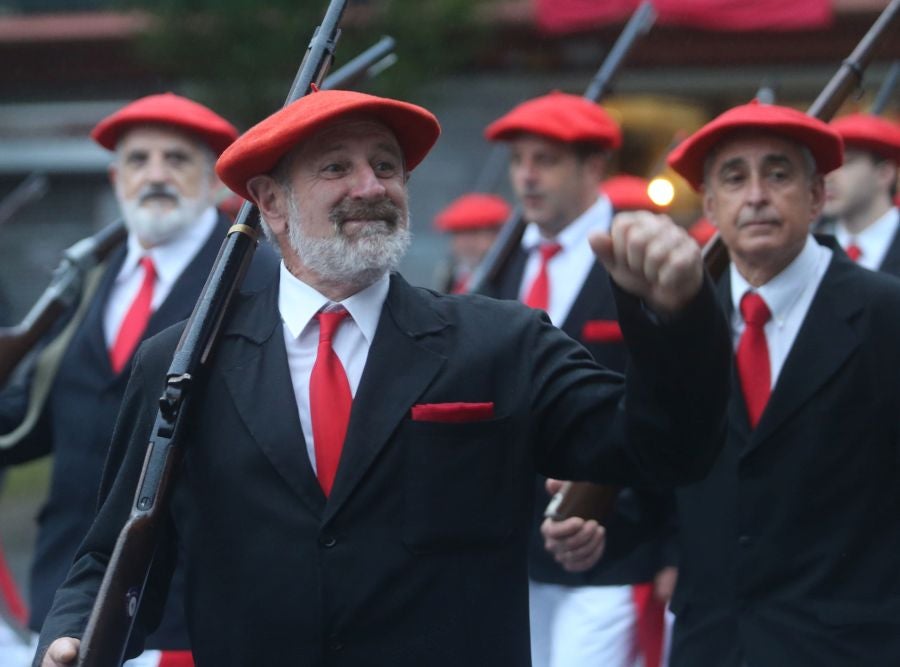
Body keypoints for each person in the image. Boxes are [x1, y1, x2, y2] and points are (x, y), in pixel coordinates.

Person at [35, 89, 730, 667]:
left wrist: (677, 319)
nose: (371, 186)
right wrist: (71, 638)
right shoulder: (183, 361)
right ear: (271, 203)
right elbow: (114, 548)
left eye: (387, 166)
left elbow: (663, 447)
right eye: (335, 167)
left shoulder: (501, 341)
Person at [551, 100, 900, 665]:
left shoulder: (885, 313)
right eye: (734, 178)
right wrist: (602, 524)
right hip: (710, 641)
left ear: (817, 197)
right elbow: (664, 466)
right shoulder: (679, 318)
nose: (756, 194)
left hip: (852, 645)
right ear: (711, 203)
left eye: (778, 174)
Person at [0, 93, 276, 667]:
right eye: (138, 159)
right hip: (61, 599)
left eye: (177, 159)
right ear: (114, 176)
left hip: (184, 615)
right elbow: (44, 417)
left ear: (213, 180)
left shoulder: (258, 281)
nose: (155, 174)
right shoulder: (86, 285)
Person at [484, 92, 676, 667]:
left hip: (620, 546)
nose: (526, 177)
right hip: (514, 550)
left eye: (546, 160)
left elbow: (681, 405)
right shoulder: (507, 263)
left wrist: (674, 546)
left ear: (594, 167)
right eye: (519, 161)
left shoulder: (638, 257)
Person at [820, 112, 900, 275]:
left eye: (843, 163)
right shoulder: (812, 248)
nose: (827, 176)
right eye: (824, 165)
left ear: (884, 174)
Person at [431, 192, 508, 293]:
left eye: (472, 233)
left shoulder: (507, 277)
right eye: (457, 234)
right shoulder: (451, 276)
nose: (464, 243)